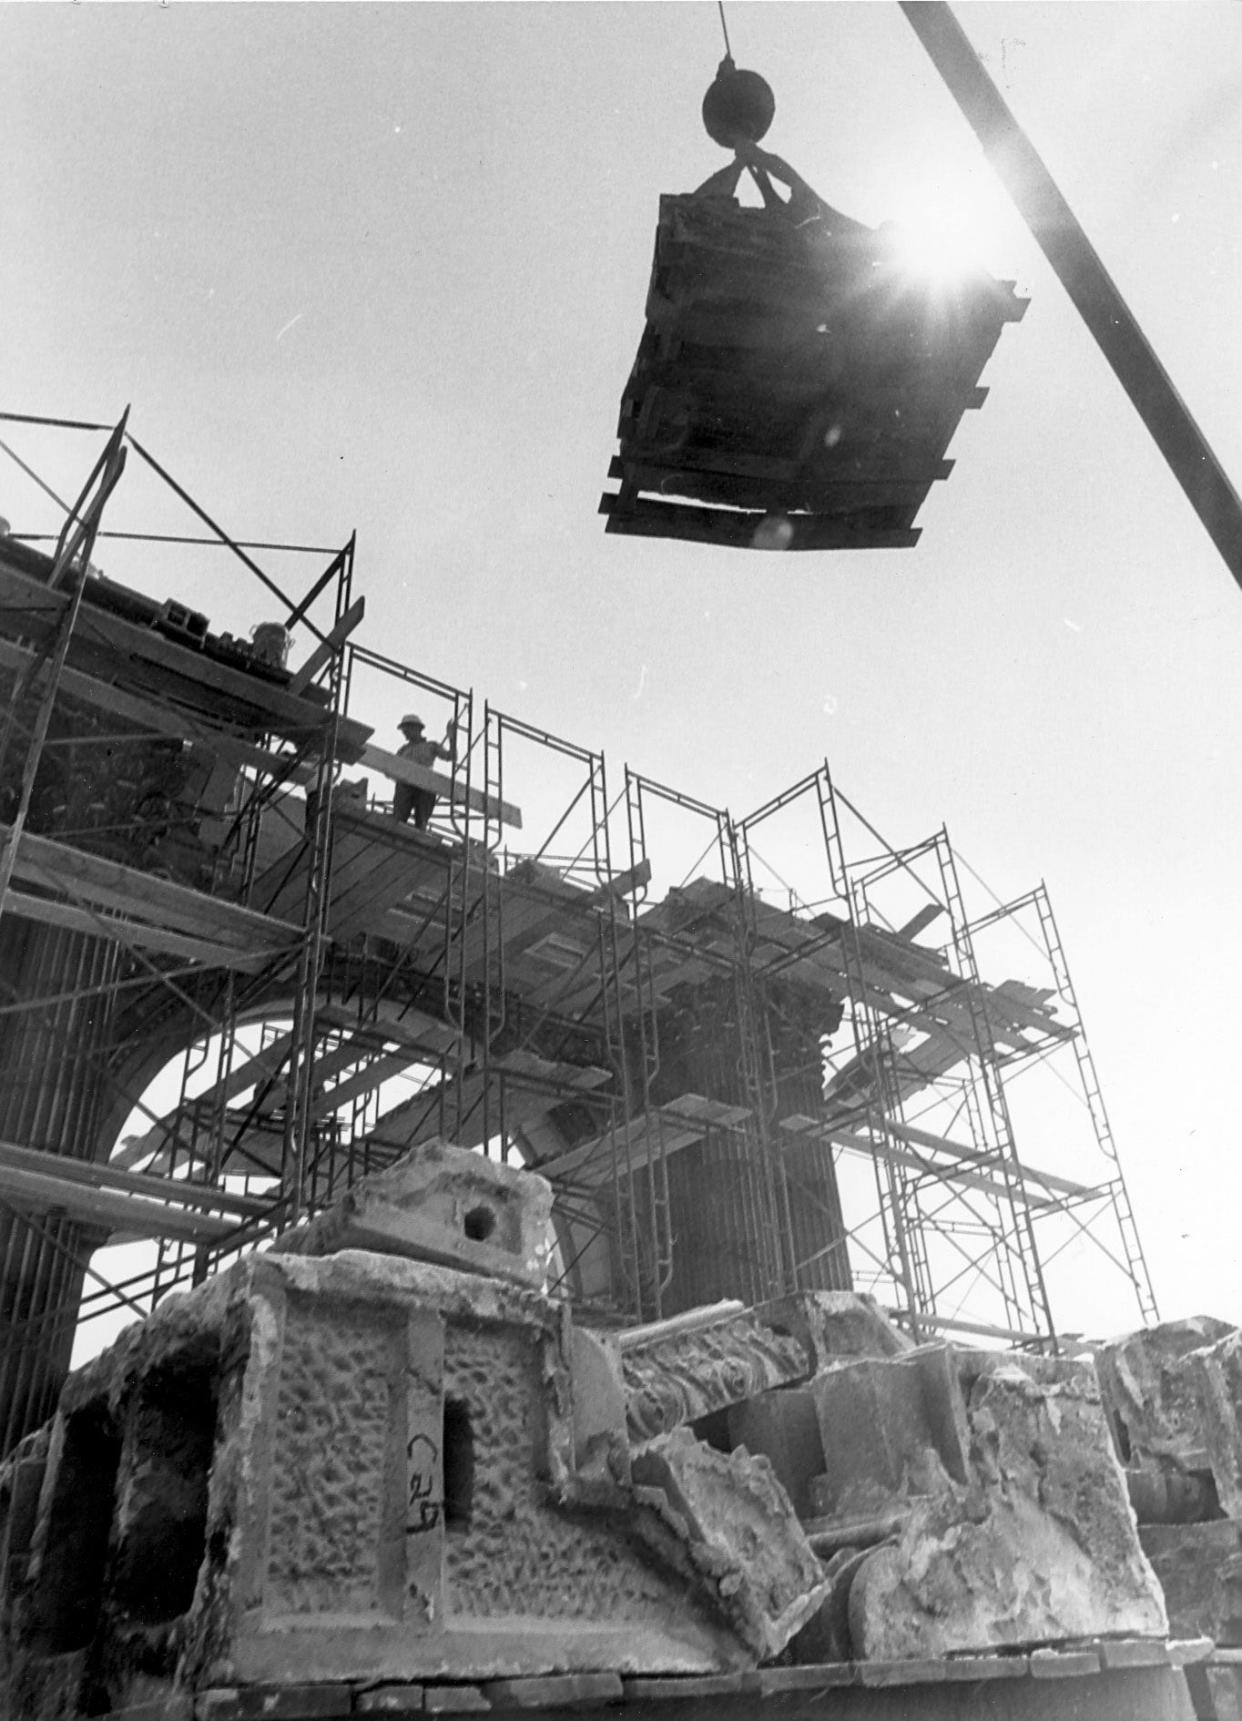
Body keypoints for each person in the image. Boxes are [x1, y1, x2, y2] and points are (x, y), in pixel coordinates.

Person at [394, 714, 453, 828]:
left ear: (418, 729)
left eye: (408, 728)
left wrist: (452, 737)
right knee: (398, 819)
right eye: (404, 730)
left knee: (421, 821)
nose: (405, 732)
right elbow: (392, 767)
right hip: (405, 786)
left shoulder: (431, 746)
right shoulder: (403, 750)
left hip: (425, 786)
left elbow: (451, 756)